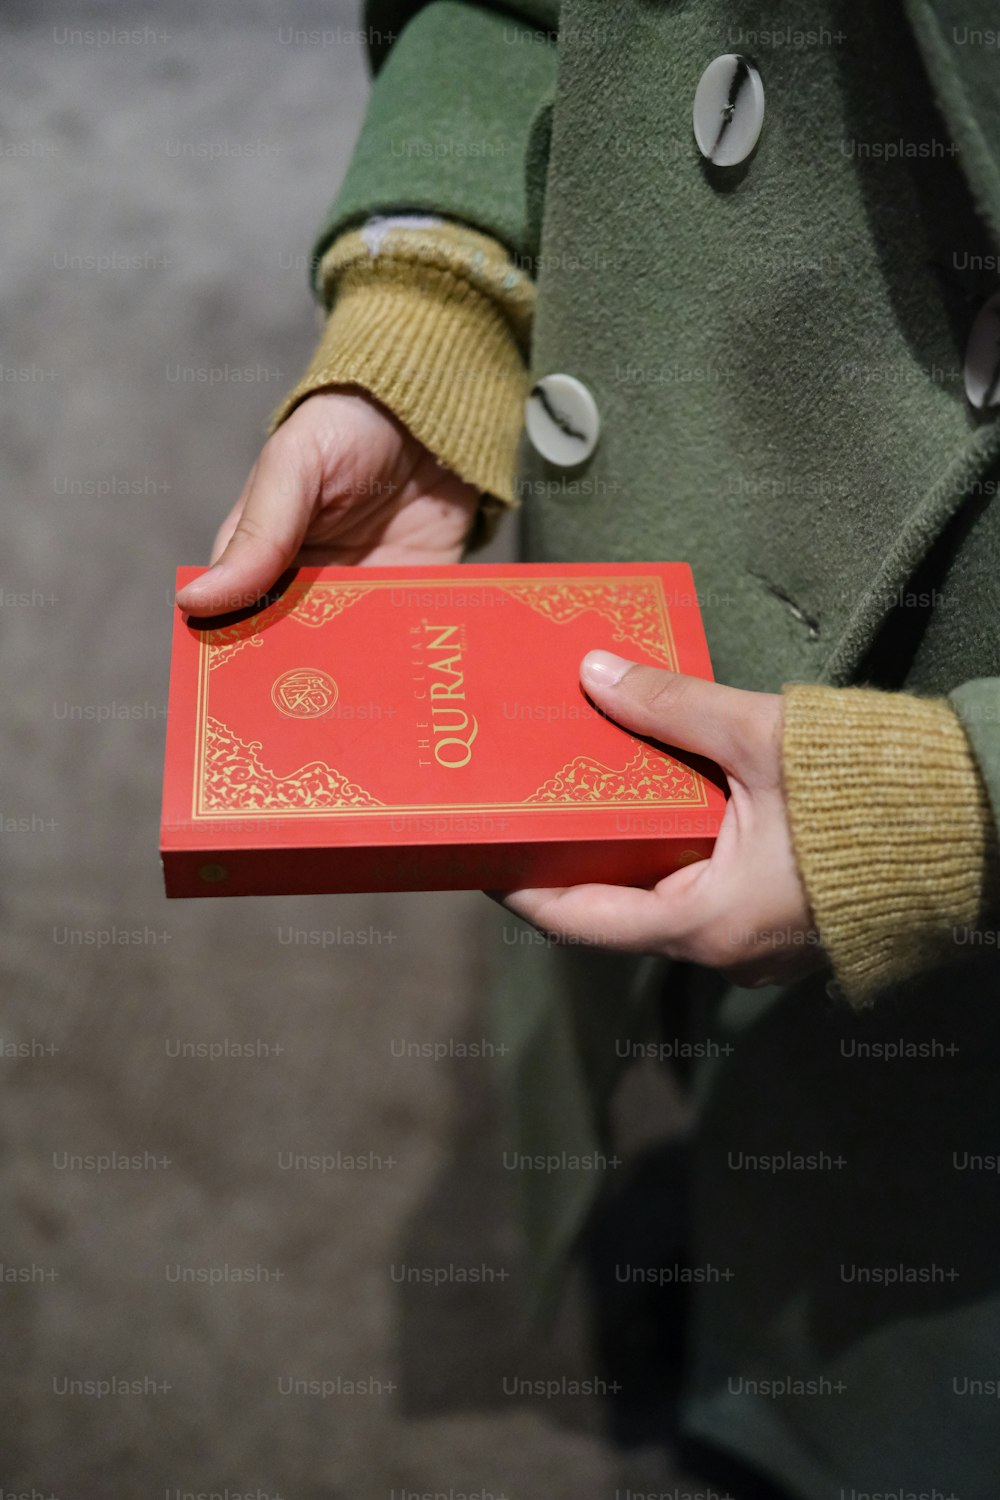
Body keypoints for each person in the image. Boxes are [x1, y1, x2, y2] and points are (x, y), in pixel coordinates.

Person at [177, 1, 1000, 1494]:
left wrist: (965, 803)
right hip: (638, 554)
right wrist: (441, 303)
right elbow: (513, 9)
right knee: (697, 1082)